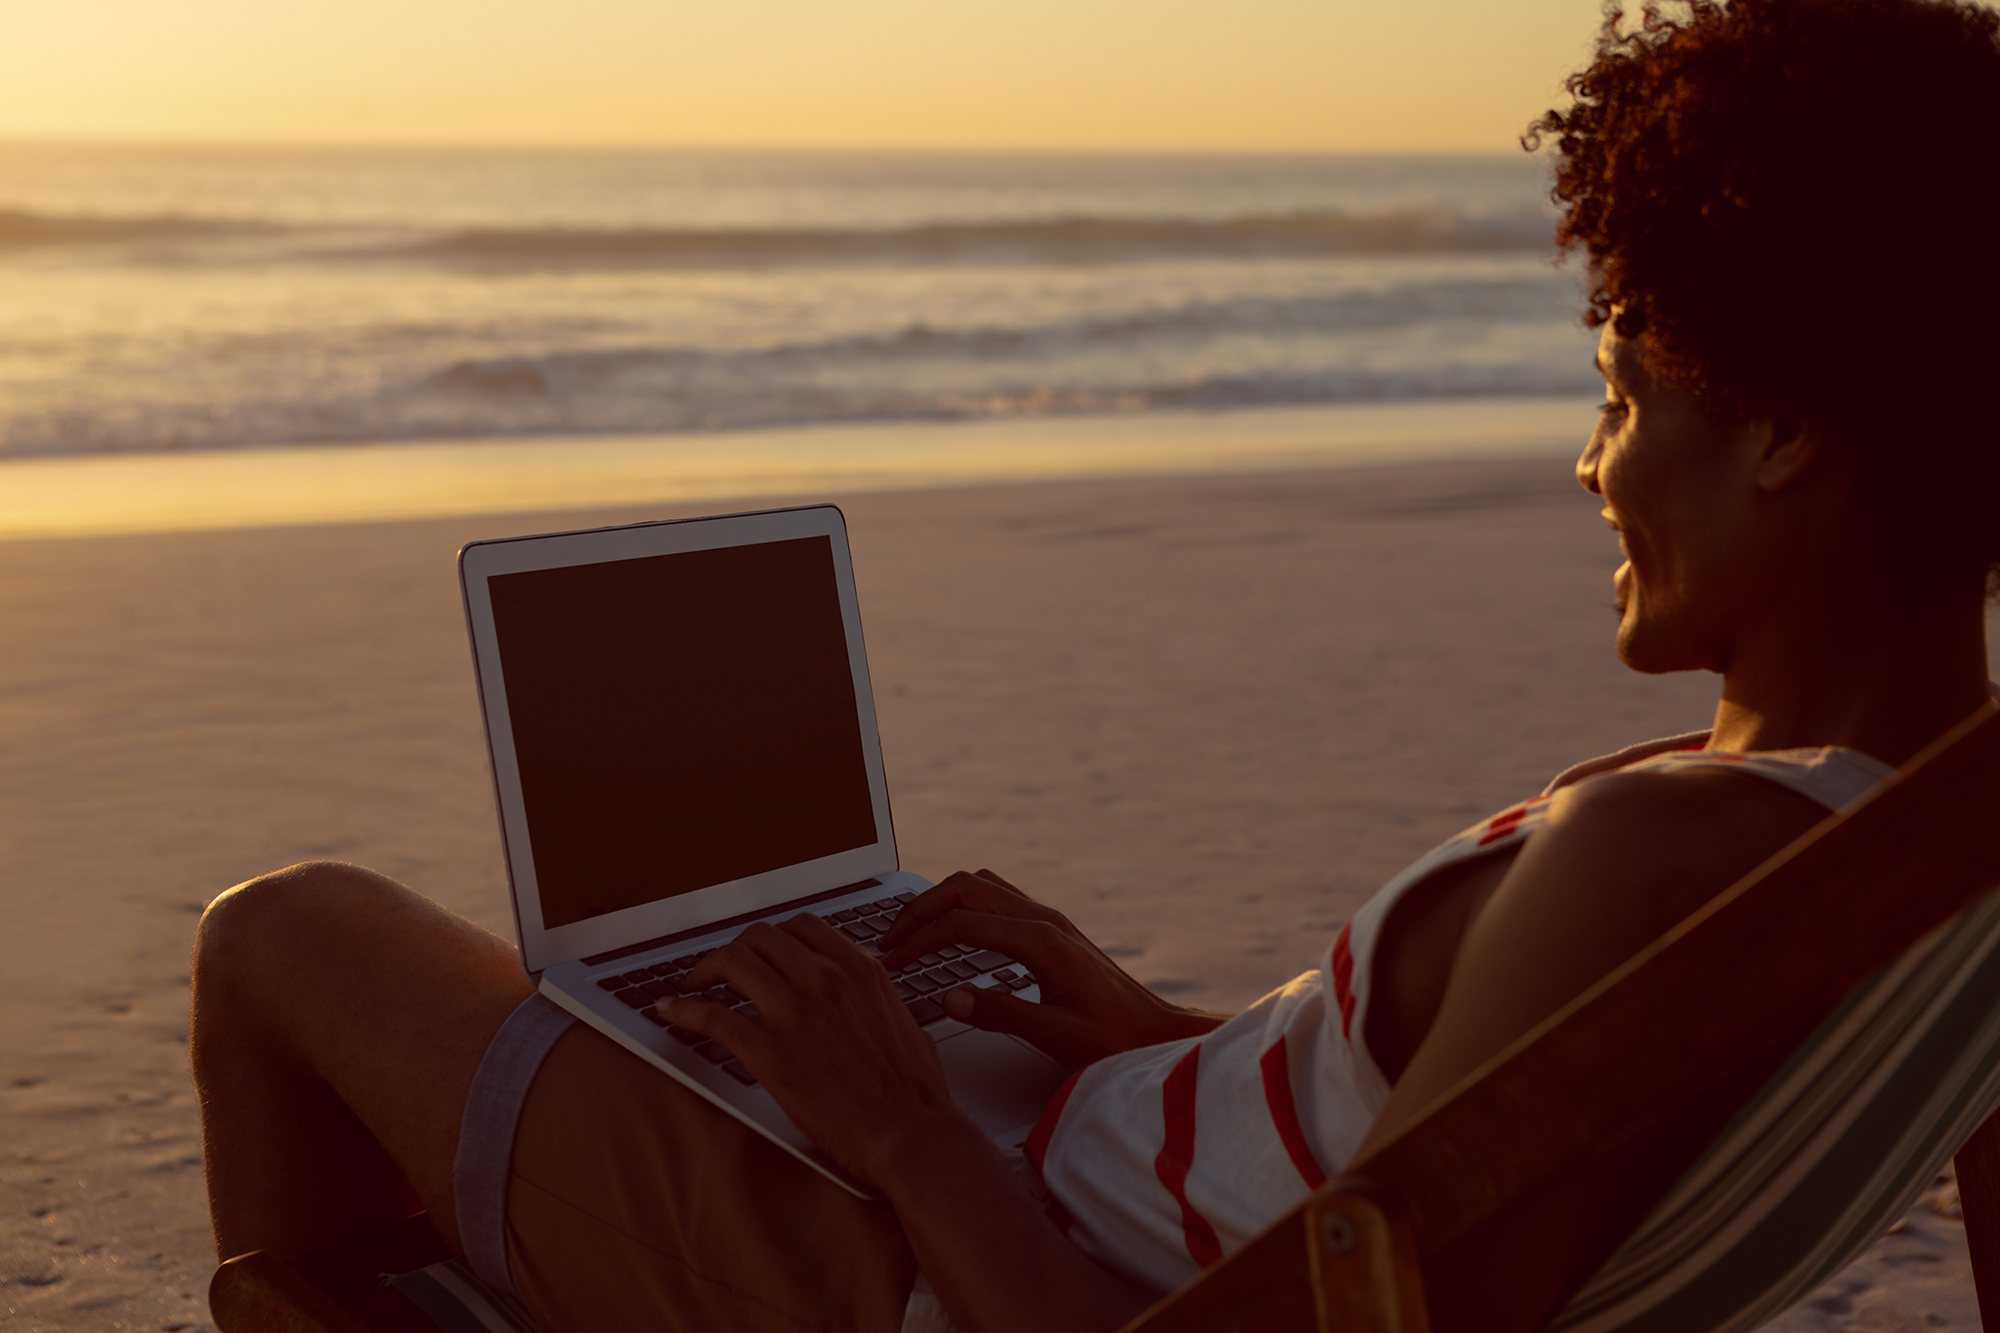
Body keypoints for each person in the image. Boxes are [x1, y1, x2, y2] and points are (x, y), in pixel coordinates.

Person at [190, 1, 2000, 1330]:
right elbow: (1445, 1156)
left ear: (1777, 426)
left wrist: (904, 1135)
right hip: (1058, 1156)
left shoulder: (1661, 865)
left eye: (1624, 393)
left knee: (282, 934)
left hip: (926, 1262)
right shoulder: (1917, 824)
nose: (1595, 463)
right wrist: (1150, 1033)